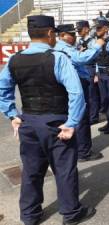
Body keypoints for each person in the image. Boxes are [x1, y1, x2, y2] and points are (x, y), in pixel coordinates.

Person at [0, 15, 96, 225]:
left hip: (29, 123)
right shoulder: (58, 58)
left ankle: (30, 215)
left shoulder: (14, 59)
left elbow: (3, 88)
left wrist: (12, 115)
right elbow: (76, 93)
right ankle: (70, 213)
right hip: (55, 124)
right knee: (64, 170)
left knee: (31, 172)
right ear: (51, 33)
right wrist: (72, 124)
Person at [55, 24, 105, 162]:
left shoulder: (59, 47)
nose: (74, 36)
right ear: (63, 35)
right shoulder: (63, 47)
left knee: (73, 117)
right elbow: (80, 59)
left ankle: (76, 147)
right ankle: (84, 152)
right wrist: (97, 45)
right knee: (81, 118)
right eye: (71, 34)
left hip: (69, 85)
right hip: (77, 84)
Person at [76, 20, 102, 125]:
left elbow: (97, 57)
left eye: (80, 30)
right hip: (83, 68)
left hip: (90, 68)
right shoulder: (80, 41)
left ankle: (94, 116)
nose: (78, 32)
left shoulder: (92, 41)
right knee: (85, 94)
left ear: (86, 29)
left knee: (92, 95)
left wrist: (96, 73)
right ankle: (89, 114)